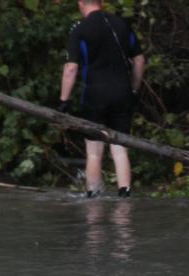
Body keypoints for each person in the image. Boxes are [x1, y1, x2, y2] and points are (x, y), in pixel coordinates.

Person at [59, 0, 145, 198]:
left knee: (94, 151)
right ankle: (125, 197)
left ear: (81, 3)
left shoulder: (79, 29)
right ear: (101, 2)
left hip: (94, 94)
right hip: (122, 92)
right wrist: (134, 89)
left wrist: (64, 100)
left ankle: (94, 201)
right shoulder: (122, 24)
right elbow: (139, 60)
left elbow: (71, 68)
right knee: (120, 149)